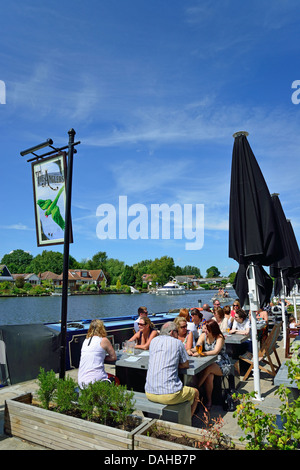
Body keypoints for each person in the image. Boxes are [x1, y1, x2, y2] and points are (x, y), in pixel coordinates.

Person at [145, 322, 199, 417]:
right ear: (171, 332)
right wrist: (172, 364)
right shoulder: (177, 343)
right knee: (195, 392)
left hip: (149, 392)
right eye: (177, 332)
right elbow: (186, 364)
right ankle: (188, 420)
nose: (178, 335)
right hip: (170, 394)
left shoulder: (153, 341)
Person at [187, 319, 231, 410]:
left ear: (212, 329)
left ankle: (197, 389)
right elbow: (198, 346)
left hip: (222, 363)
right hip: (209, 362)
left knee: (209, 368)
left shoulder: (219, 337)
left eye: (207, 329)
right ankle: (209, 400)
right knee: (209, 375)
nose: (205, 331)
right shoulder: (203, 335)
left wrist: (202, 354)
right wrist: (190, 350)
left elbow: (216, 351)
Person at [78, 319, 119, 388]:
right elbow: (113, 357)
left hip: (81, 381)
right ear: (102, 328)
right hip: (94, 381)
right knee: (116, 379)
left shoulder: (86, 340)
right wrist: (102, 358)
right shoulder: (104, 340)